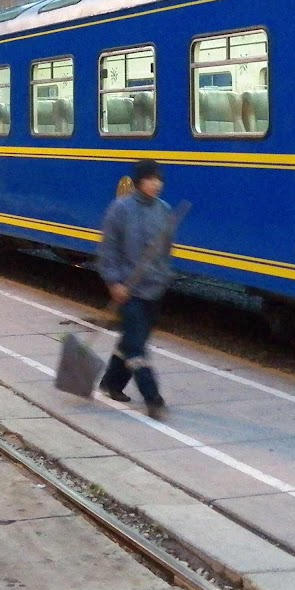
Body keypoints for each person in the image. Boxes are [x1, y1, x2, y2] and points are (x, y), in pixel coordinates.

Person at [95, 160, 181, 415]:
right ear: (139, 181)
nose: (157, 184)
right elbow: (108, 249)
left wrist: (164, 276)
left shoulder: (164, 210)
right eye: (151, 179)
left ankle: (110, 383)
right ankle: (153, 398)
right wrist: (113, 281)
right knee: (137, 347)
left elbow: (165, 251)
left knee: (132, 341)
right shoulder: (120, 209)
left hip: (154, 288)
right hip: (128, 289)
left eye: (159, 179)